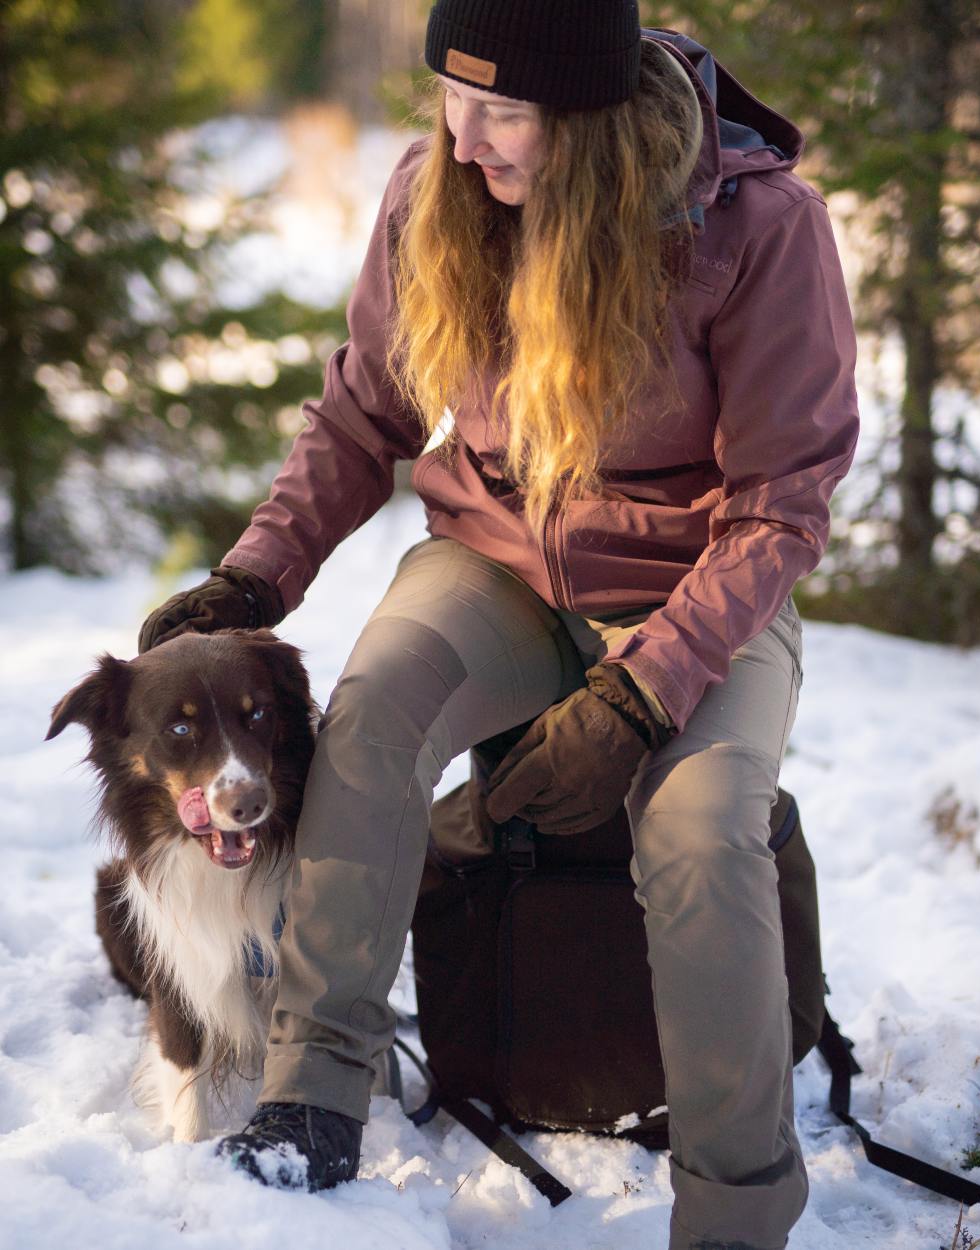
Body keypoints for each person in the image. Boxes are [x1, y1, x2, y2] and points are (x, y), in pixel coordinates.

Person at [139, 3, 859, 1247]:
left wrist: (643, 692)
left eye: (503, 112)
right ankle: (310, 1102)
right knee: (369, 719)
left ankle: (736, 1209)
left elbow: (781, 509)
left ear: (585, 114)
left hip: (697, 588)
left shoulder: (754, 227)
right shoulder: (438, 189)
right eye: (451, 102)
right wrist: (254, 580)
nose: (464, 141)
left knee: (697, 834)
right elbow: (365, 414)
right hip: (497, 557)